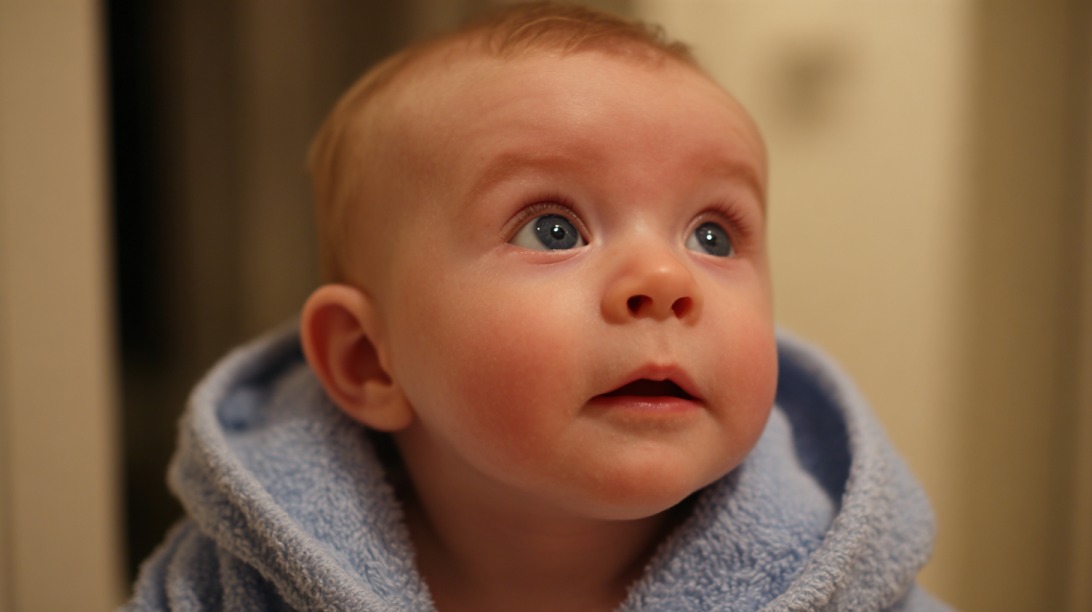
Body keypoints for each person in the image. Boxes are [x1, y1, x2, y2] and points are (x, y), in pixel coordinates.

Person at [126, 3, 945, 610]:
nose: (667, 278)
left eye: (713, 235)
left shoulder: (837, 583)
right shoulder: (239, 586)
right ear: (369, 360)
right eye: (553, 229)